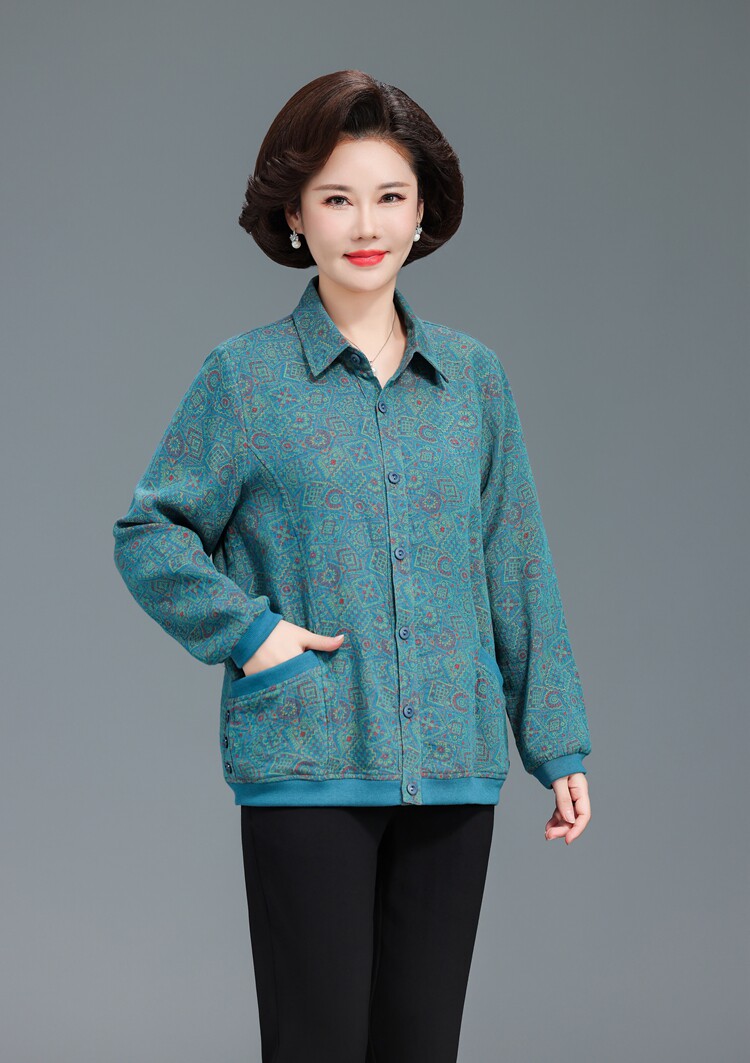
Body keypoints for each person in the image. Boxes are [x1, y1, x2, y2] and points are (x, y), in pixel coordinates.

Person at [112, 69, 592, 1063]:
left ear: (422, 213)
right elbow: (151, 531)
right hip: (307, 764)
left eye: (389, 196)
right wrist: (251, 634)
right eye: (336, 198)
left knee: (422, 1047)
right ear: (295, 214)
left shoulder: (473, 381)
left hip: (453, 769)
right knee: (317, 1046)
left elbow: (515, 560)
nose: (365, 224)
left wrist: (557, 745)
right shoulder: (244, 379)